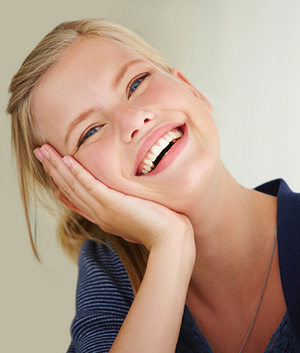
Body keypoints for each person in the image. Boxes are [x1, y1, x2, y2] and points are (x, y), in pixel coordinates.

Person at [7, 19, 300, 353]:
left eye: (136, 83)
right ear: (78, 197)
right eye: (90, 131)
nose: (134, 120)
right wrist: (170, 246)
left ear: (193, 91)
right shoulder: (109, 275)